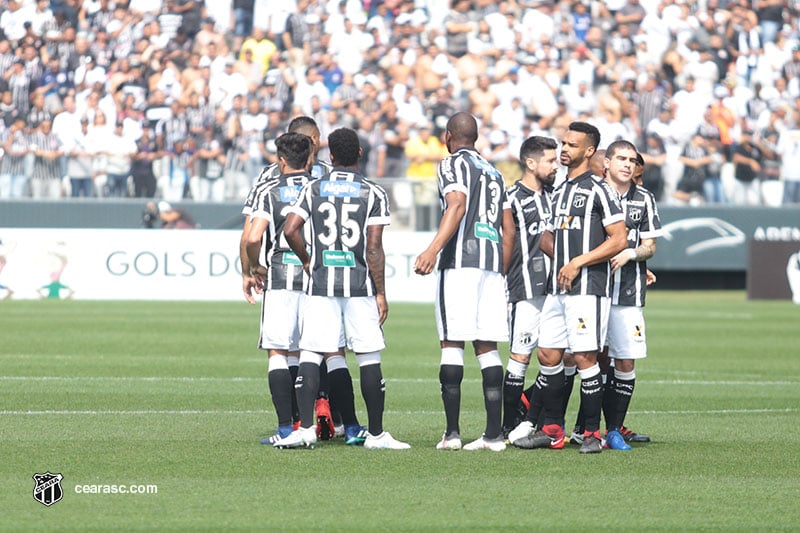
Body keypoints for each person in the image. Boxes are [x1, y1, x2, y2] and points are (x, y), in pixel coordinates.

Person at [275, 127, 410, 450]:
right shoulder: (373, 192)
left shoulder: (313, 188)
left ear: (330, 155)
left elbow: (291, 229)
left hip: (321, 282)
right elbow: (374, 248)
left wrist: (309, 259)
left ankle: (305, 429)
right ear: (360, 154)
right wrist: (381, 292)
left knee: (310, 350)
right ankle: (376, 434)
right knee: (367, 354)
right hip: (359, 283)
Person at [244, 132, 370, 447]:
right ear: (311, 158)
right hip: (318, 278)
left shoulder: (268, 190)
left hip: (282, 277)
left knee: (279, 351)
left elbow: (251, 236)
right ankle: (351, 425)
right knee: (331, 351)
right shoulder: (320, 188)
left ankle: (288, 428)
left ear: (280, 160)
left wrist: (252, 267)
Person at [507, 121, 627, 454]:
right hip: (559, 289)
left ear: (589, 151)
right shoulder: (558, 191)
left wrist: (578, 262)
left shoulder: (600, 189)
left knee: (586, 357)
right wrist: (563, 259)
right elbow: (546, 236)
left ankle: (590, 434)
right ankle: (552, 429)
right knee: (548, 354)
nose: (564, 149)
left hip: (589, 288)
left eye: (572, 145)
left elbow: (619, 239)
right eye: (563, 143)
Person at [414, 112, 516, 452]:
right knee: (487, 346)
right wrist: (499, 267)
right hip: (490, 263)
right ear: (476, 137)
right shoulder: (494, 172)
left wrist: (432, 249)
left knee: (452, 342)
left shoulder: (451, 164)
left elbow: (456, 205)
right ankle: (492, 435)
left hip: (459, 261)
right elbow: (508, 227)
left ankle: (453, 434)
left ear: (448, 137)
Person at [601, 140, 663, 450]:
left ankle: (613, 429)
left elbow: (651, 245)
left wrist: (631, 255)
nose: (627, 164)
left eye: (631, 159)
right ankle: (582, 427)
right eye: (621, 158)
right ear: (607, 162)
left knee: (625, 362)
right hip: (593, 290)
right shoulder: (594, 192)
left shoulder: (645, 199)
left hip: (628, 292)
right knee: (590, 360)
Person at [501, 136, 557, 438]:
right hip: (525, 287)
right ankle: (508, 424)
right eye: (550, 160)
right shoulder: (510, 198)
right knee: (521, 356)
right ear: (530, 163)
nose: (555, 165)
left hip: (558, 288)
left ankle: (532, 409)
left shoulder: (557, 195)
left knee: (561, 355)